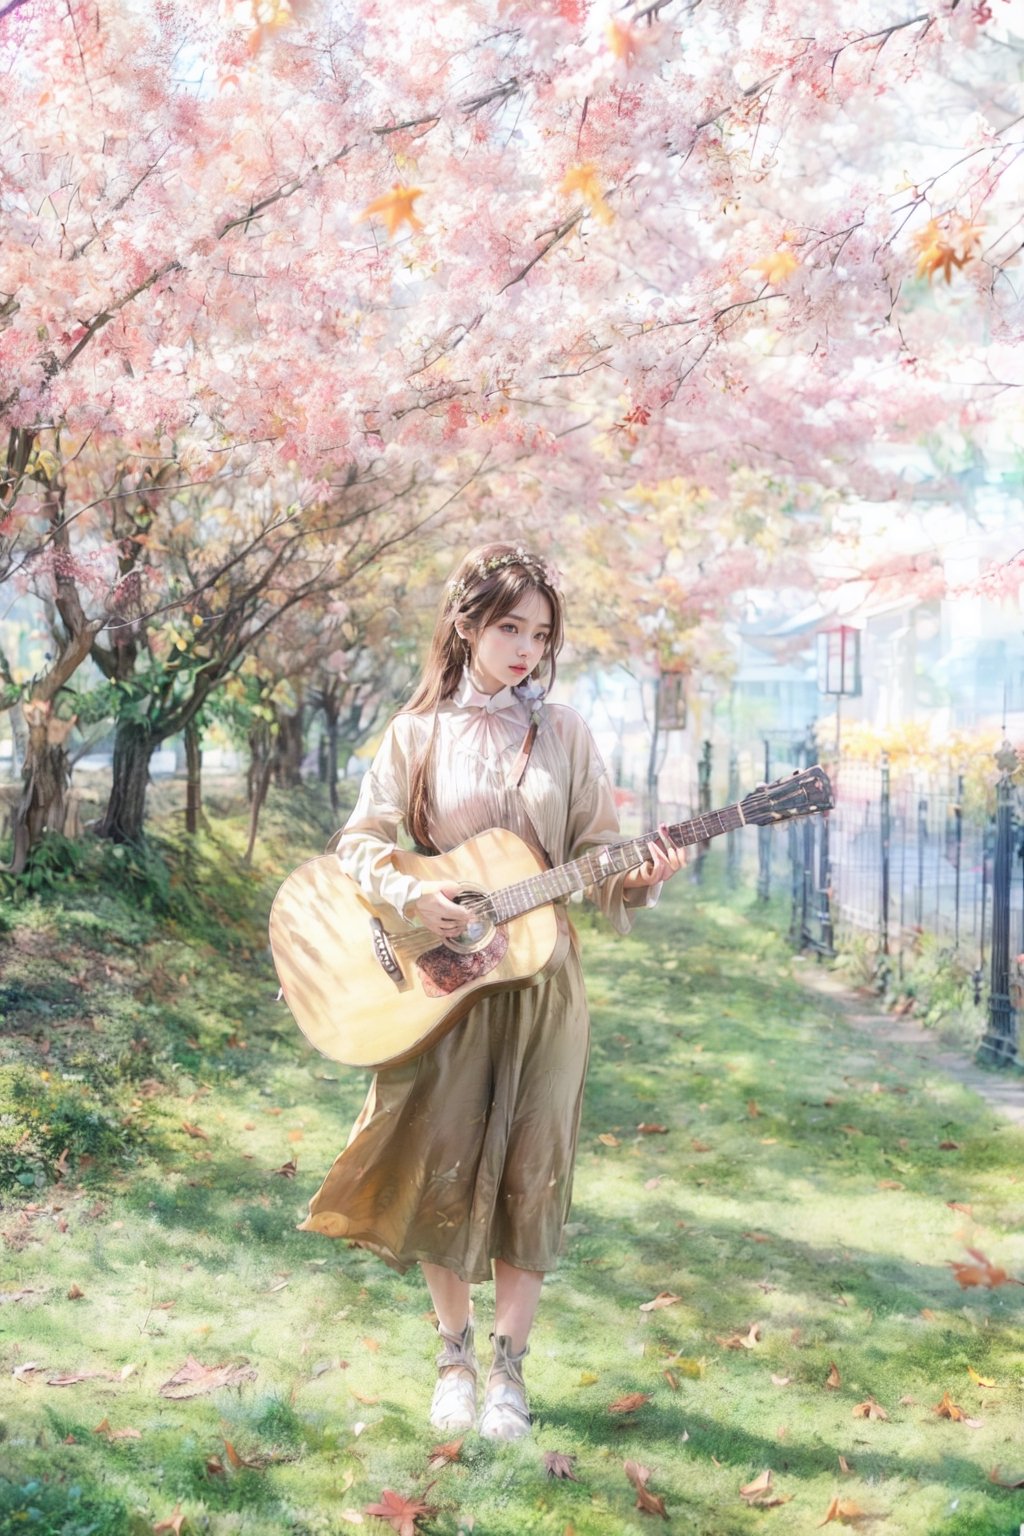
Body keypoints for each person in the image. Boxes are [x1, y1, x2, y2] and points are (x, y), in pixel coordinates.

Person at [299, 542, 686, 1440]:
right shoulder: (416, 735)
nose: (524, 648)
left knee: (533, 1166)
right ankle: (454, 1357)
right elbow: (360, 842)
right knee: (443, 1160)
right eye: (509, 627)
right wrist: (412, 894)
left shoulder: (568, 734)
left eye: (539, 633)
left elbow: (597, 854)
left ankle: (509, 1375)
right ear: (468, 625)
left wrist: (639, 876)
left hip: (546, 989)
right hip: (443, 988)